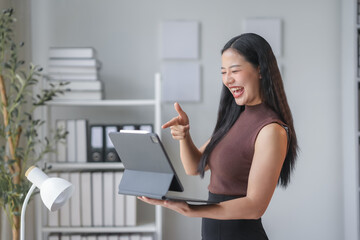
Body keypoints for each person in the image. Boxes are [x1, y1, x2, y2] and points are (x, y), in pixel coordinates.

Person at [138, 33, 298, 240]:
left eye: (235, 71)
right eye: (223, 72)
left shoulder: (271, 130)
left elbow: (255, 207)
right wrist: (184, 136)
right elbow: (194, 167)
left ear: (260, 69)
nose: (228, 79)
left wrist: (191, 210)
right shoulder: (234, 118)